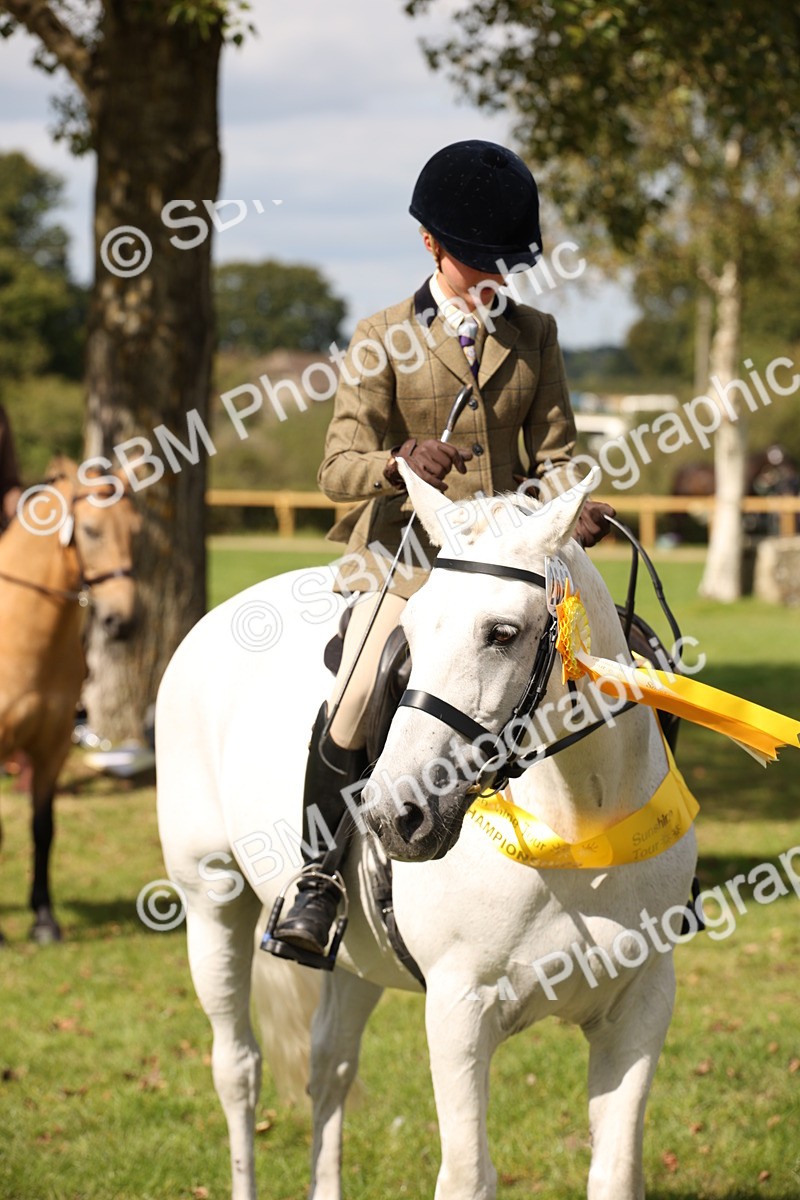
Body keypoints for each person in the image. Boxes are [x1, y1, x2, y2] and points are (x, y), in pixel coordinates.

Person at [273, 140, 614, 958]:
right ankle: (318, 877)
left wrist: (573, 503)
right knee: (357, 695)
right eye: (477, 263)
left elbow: (558, 452)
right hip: (410, 561)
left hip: (516, 559)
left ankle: (652, 852)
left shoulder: (535, 333)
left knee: (631, 652)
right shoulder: (382, 336)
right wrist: (398, 461)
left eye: (507, 263)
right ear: (431, 245)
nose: (495, 279)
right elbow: (335, 469)